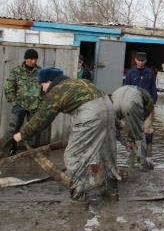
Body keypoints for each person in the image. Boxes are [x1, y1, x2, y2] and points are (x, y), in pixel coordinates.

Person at [12, 67, 119, 201]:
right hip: (108, 108)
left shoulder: (57, 90)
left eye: (42, 85)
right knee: (107, 153)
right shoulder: (77, 82)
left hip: (91, 112)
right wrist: (117, 127)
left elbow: (42, 118)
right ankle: (112, 192)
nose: (42, 89)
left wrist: (22, 134)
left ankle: (78, 198)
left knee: (73, 155)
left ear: (49, 81)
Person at [4, 49, 42, 156]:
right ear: (26, 59)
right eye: (31, 59)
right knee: (13, 128)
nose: (33, 61)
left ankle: (33, 151)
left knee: (34, 129)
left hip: (36, 105)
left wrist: (41, 102)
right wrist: (14, 102)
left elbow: (45, 88)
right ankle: (11, 149)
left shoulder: (41, 71)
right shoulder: (16, 71)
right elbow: (9, 87)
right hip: (20, 105)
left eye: (35, 59)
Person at [111, 85, 154, 170]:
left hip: (115, 101)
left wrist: (124, 140)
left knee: (111, 129)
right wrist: (135, 132)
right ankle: (143, 165)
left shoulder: (127, 88)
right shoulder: (149, 101)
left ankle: (111, 165)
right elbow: (140, 121)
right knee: (139, 136)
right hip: (132, 102)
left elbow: (116, 127)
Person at [124, 52, 157, 150]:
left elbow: (153, 88)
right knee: (133, 126)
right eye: (139, 60)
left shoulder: (150, 72)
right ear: (135, 60)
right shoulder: (130, 73)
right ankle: (132, 148)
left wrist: (153, 102)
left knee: (148, 127)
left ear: (145, 61)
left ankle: (148, 149)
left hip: (147, 103)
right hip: (133, 104)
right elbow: (126, 88)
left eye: (142, 61)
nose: (140, 63)